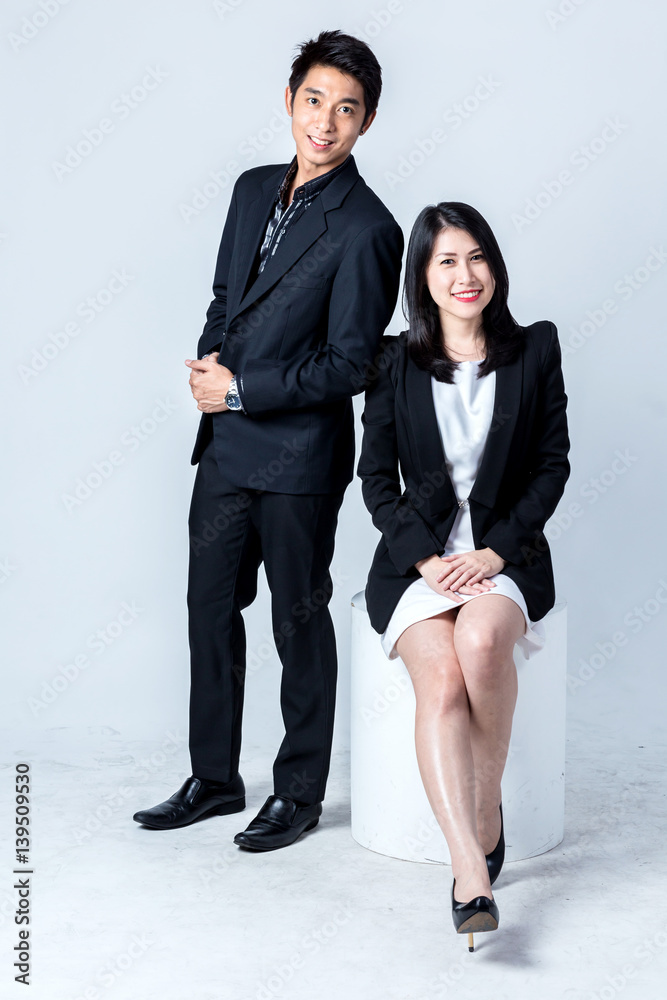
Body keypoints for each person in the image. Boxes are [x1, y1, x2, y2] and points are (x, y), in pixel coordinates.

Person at [133, 31, 403, 850]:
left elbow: (352, 363)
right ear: (290, 100)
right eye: (314, 100)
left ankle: (299, 792)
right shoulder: (251, 189)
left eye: (346, 109)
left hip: (297, 463)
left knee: (296, 620)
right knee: (208, 611)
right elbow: (226, 295)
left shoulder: (368, 227)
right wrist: (211, 362)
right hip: (225, 450)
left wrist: (243, 390)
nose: (325, 122)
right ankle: (213, 779)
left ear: (366, 124)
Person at [357, 202, 569, 947]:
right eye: (445, 261)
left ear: (494, 265)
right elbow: (374, 479)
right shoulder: (393, 362)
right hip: (417, 562)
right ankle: (468, 870)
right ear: (422, 275)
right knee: (441, 679)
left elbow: (550, 466)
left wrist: (494, 552)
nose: (464, 274)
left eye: (475, 256)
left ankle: (486, 812)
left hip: (503, 555)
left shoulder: (534, 349)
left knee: (482, 643)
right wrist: (424, 557)